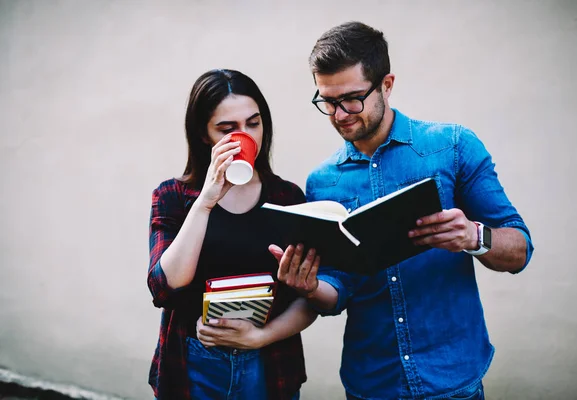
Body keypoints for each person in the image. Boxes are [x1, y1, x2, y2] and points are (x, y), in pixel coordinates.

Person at [271, 22, 534, 400]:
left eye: (351, 98)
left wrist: (474, 236)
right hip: (371, 383)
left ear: (387, 85)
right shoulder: (322, 183)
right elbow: (338, 292)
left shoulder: (454, 146)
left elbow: (520, 250)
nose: (339, 114)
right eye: (327, 101)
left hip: (453, 378)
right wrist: (311, 287)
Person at [147, 69, 316, 400]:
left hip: (270, 365)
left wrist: (260, 337)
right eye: (228, 129)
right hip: (192, 366)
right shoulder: (173, 197)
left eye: (253, 123)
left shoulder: (288, 198)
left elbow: (308, 297)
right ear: (204, 134)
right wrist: (206, 201)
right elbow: (164, 288)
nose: (245, 136)